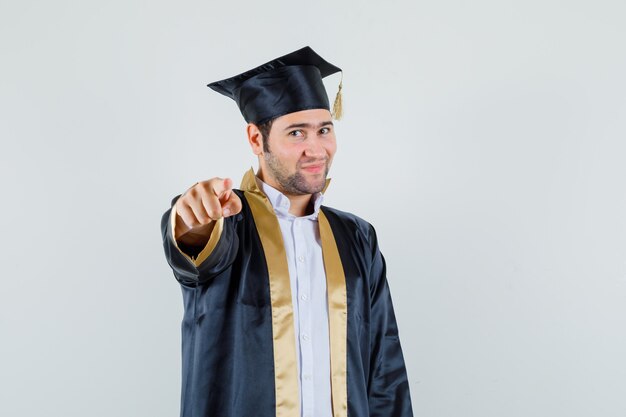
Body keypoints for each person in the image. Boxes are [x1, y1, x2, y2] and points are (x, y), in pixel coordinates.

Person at [160, 46, 414, 417]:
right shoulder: (226, 223)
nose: (317, 149)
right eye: (297, 133)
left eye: (324, 130)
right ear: (255, 140)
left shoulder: (357, 237)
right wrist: (188, 216)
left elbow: (385, 366)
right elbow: (192, 242)